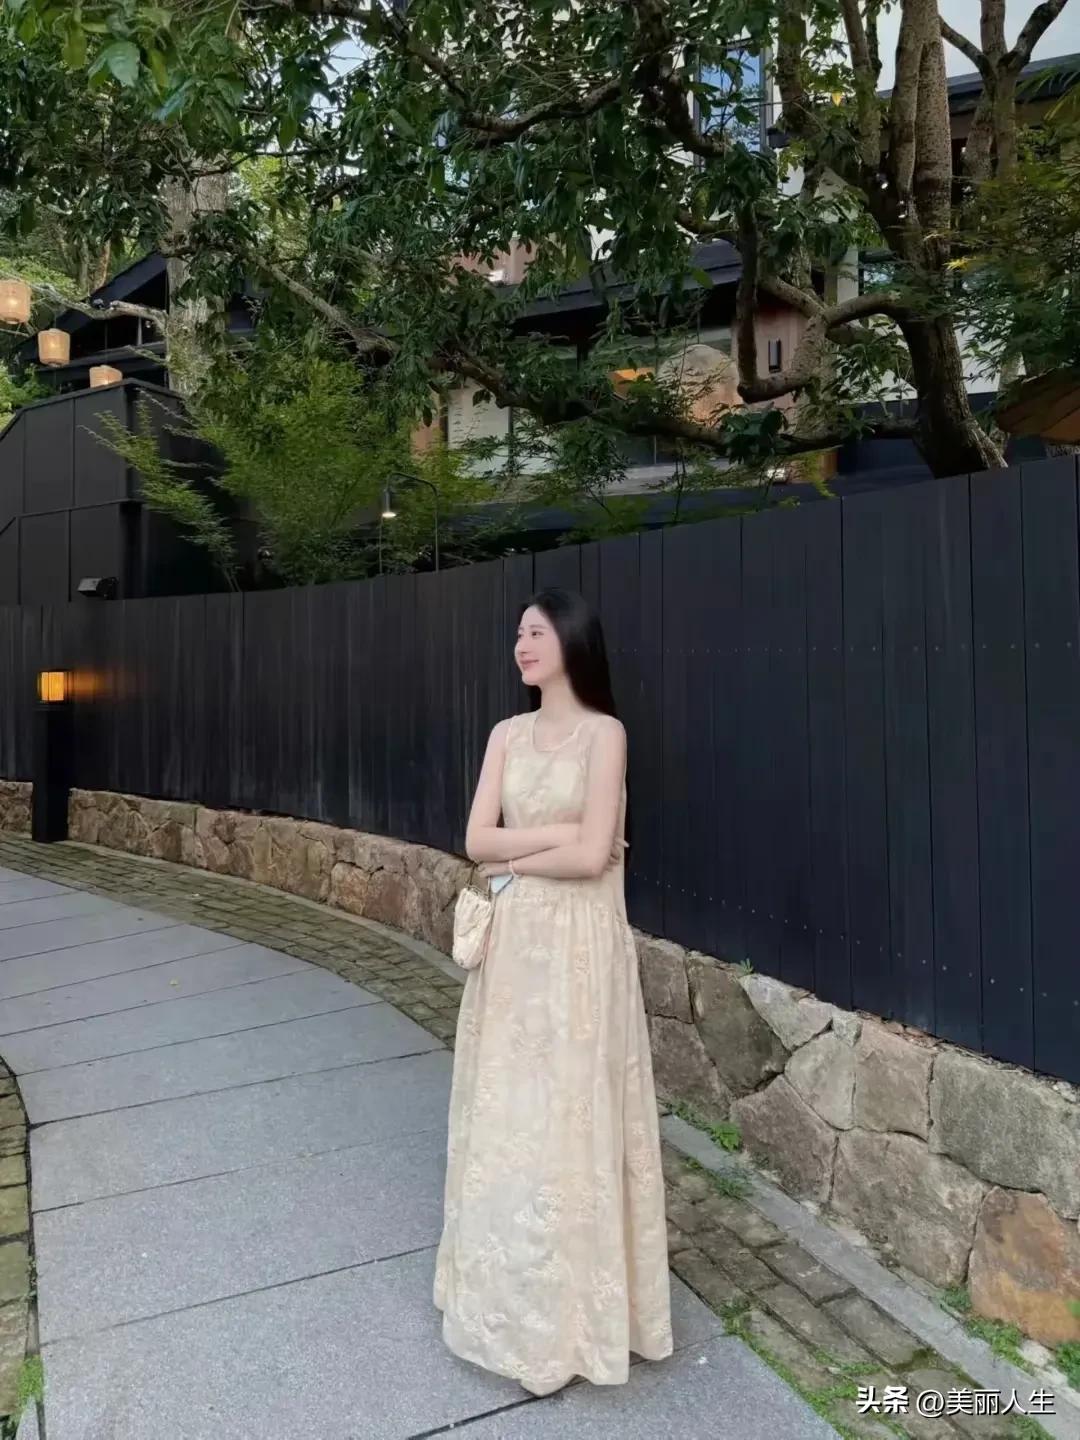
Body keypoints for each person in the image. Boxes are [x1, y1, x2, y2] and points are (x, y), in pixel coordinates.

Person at [433, 586, 674, 1396]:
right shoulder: (506, 734)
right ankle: (506, 1308)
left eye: (535, 632)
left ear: (572, 639)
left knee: (573, 1119)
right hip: (515, 952)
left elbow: (594, 854)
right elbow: (477, 839)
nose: (522, 646)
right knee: (513, 1118)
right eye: (517, 634)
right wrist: (552, 841)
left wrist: (518, 856)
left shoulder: (606, 734)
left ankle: (572, 1320)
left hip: (580, 951)